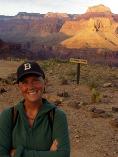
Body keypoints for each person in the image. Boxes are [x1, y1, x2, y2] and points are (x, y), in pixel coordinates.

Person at [0, 61, 70, 157]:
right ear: (19, 87)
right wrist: (50, 154)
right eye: (25, 82)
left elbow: (63, 154)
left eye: (35, 80)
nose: (30, 87)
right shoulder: (9, 116)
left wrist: (19, 153)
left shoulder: (57, 116)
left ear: (44, 83)